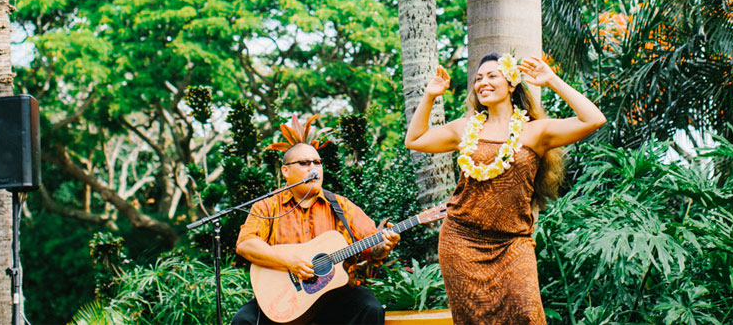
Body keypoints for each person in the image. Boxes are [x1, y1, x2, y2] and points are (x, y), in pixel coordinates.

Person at [405, 52, 606, 325]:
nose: (482, 83)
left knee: (527, 314)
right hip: (461, 240)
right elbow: (415, 139)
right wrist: (429, 96)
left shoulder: (536, 131)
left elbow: (593, 119)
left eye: (491, 76)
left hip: (513, 242)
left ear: (512, 84)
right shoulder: (466, 129)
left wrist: (552, 80)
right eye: (478, 79)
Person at [233, 142, 401, 325]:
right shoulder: (267, 207)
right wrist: (289, 262)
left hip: (335, 296)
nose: (313, 168)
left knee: (370, 308)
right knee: (244, 321)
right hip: (284, 297)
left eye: (317, 162)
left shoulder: (341, 206)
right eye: (304, 163)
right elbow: (246, 244)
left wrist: (384, 246)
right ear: (286, 171)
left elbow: (372, 248)